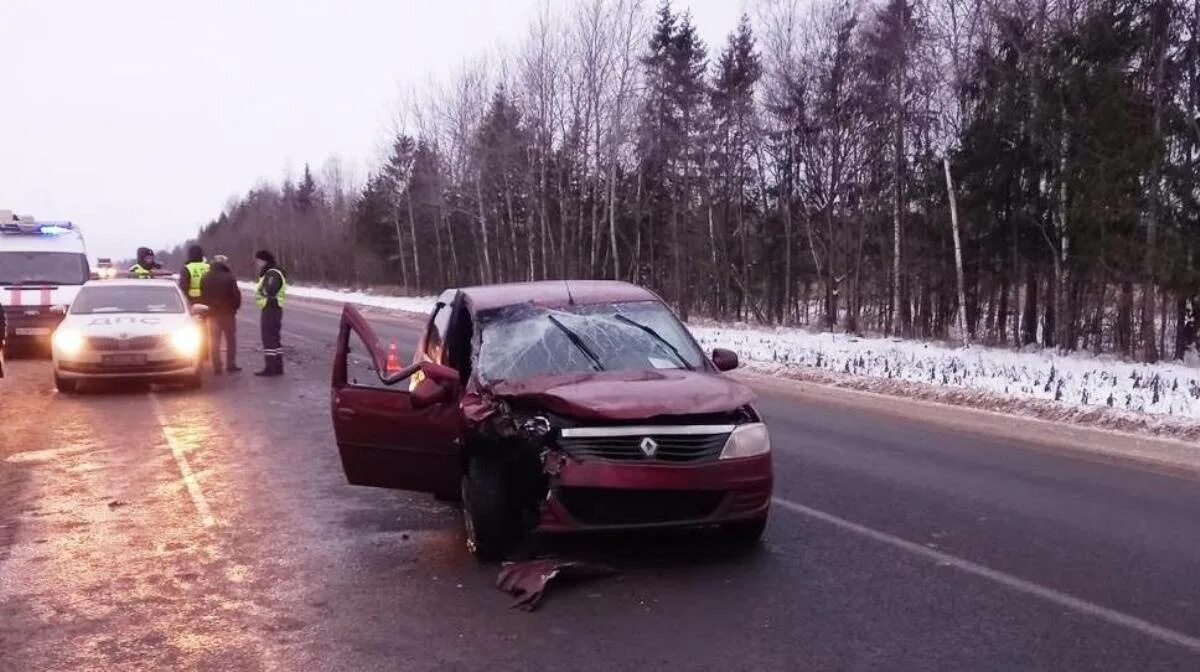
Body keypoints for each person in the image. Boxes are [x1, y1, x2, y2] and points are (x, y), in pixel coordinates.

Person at [200, 254, 241, 374]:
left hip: (212, 314)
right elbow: (236, 295)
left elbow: (203, 295)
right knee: (230, 340)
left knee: (214, 341)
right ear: (224, 263)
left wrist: (207, 309)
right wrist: (235, 308)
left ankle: (217, 366)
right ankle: (231, 364)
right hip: (227, 313)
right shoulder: (229, 276)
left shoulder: (206, 276)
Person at [253, 250, 287, 377]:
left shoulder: (272, 273)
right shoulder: (273, 271)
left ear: (264, 260)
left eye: (258, 261)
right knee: (275, 338)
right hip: (274, 307)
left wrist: (262, 291)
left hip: (271, 307)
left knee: (269, 338)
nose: (257, 264)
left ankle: (270, 368)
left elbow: (269, 290)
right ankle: (278, 367)